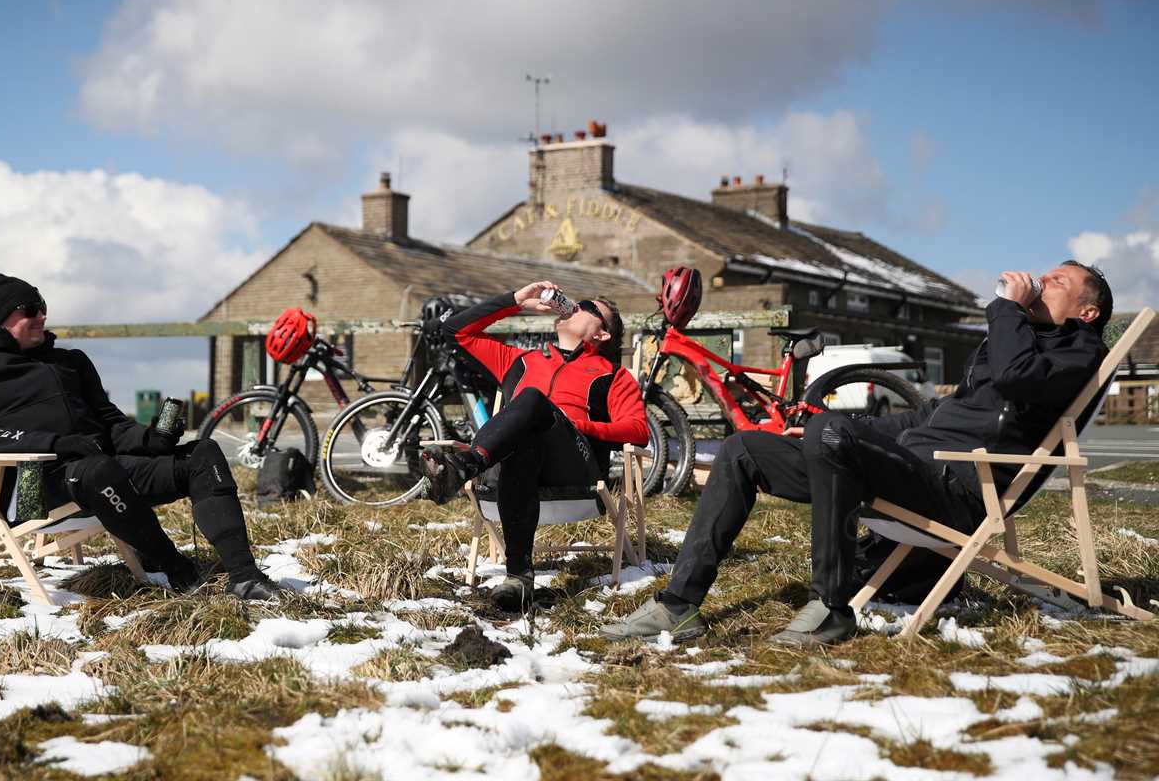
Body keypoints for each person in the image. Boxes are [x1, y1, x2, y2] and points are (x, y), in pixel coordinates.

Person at [602, 261, 1112, 646]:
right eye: (1043, 276)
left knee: (830, 431)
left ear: (1087, 311)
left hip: (957, 490)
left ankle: (831, 607)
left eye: (1059, 281)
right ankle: (678, 605)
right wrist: (849, 427)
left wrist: (1006, 310)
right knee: (742, 448)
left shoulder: (1078, 352)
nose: (1043, 282)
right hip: (908, 470)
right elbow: (930, 419)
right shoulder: (1012, 342)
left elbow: (1016, 375)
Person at [0, 273, 287, 601]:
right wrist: (55, 444)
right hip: (27, 483)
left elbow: (111, 424)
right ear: (1, 318)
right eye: (30, 310)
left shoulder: (69, 361)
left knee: (202, 455)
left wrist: (151, 440)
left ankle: (245, 576)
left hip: (99, 467)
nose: (42, 315)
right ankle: (178, 570)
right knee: (98, 471)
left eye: (43, 305)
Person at [419, 281, 649, 611]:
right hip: (512, 468)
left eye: (587, 304)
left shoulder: (613, 375)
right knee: (524, 438)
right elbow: (455, 330)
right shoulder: (522, 361)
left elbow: (639, 430)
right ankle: (519, 579)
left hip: (574, 471)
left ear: (602, 335)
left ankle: (465, 467)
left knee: (532, 401)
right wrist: (516, 301)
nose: (574, 304)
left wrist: (576, 424)